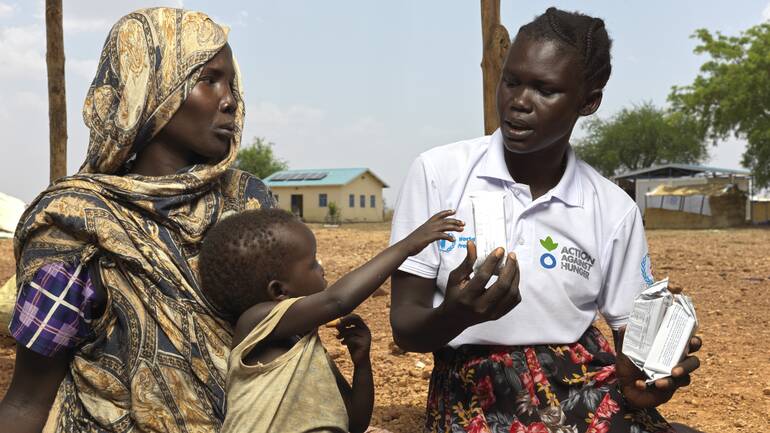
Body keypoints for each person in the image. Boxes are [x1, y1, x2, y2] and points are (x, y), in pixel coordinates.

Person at [388, 7, 703, 433]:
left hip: (580, 379)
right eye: (512, 81)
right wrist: (456, 316)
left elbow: (631, 347)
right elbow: (406, 329)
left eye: (545, 89)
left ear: (588, 101)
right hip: (477, 392)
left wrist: (645, 383)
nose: (519, 102)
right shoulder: (439, 174)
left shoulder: (611, 207)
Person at [0, 8, 274, 433]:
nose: (230, 99)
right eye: (209, 79)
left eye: (231, 82)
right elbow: (28, 397)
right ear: (151, 87)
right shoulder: (76, 225)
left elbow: (288, 351)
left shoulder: (249, 204)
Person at [197, 208, 464, 433]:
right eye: (313, 263)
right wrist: (407, 246)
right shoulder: (255, 322)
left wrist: (361, 363)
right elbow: (338, 301)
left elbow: (356, 422)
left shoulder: (306, 349)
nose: (322, 267)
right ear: (279, 291)